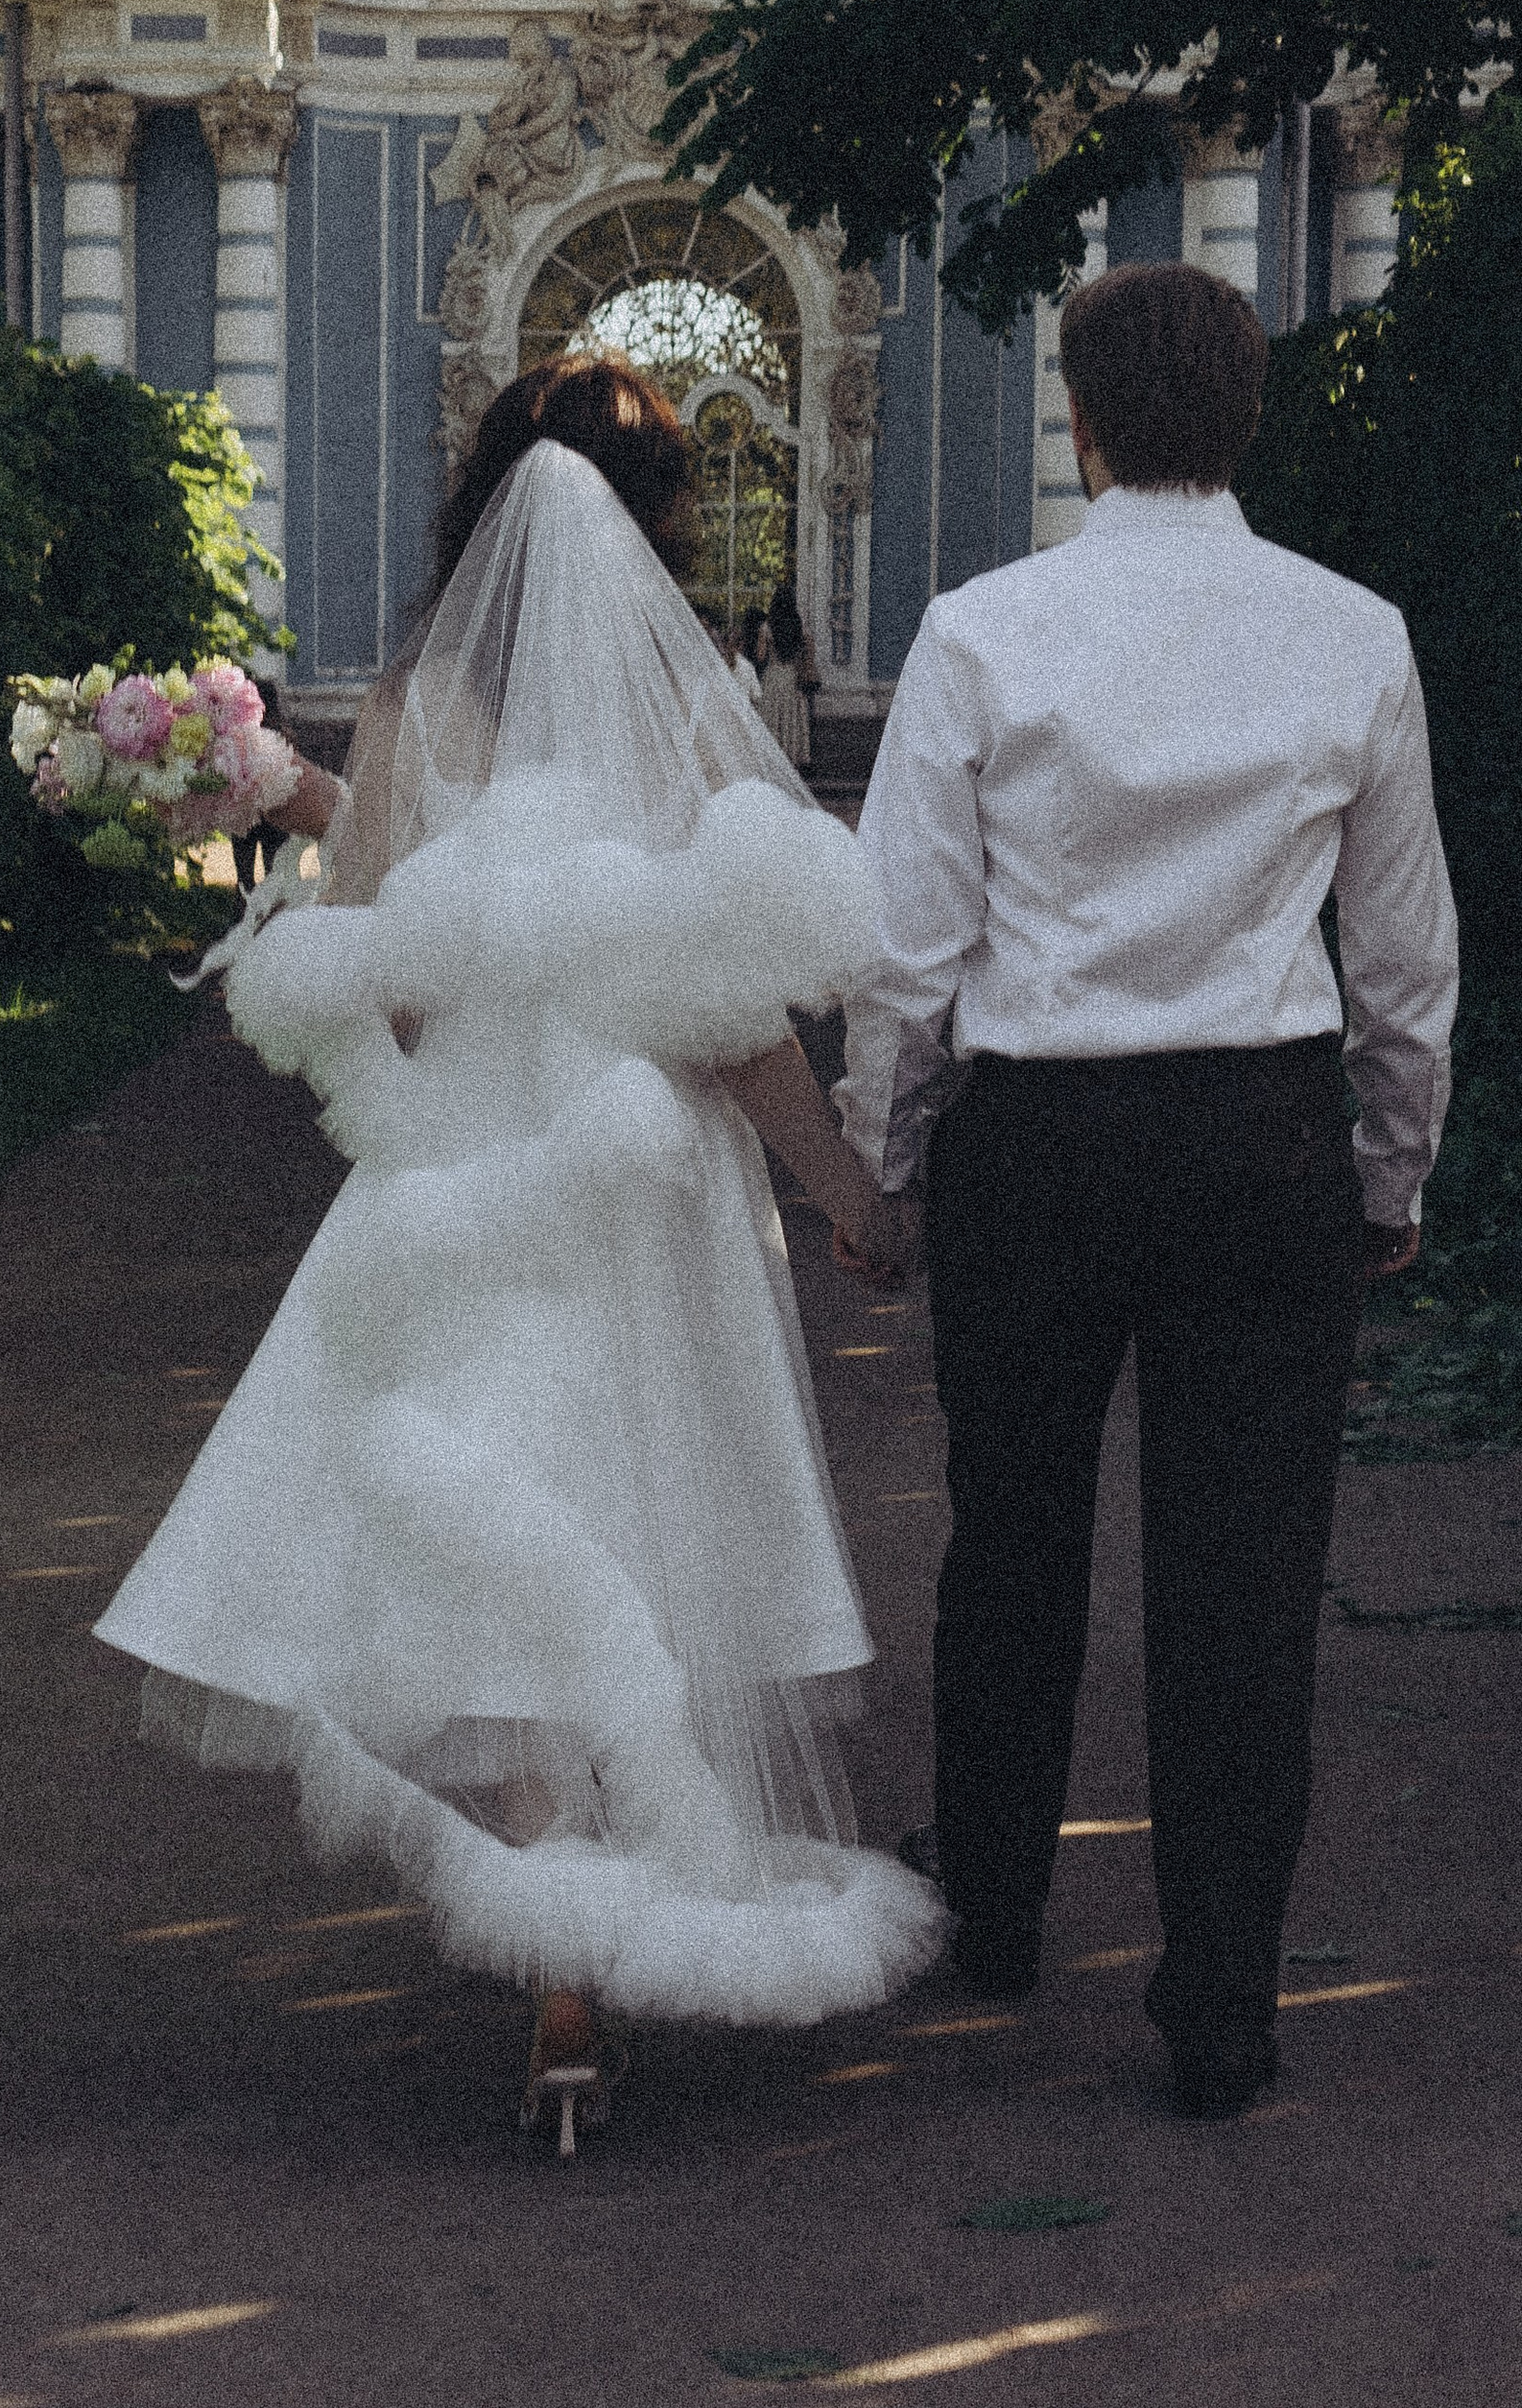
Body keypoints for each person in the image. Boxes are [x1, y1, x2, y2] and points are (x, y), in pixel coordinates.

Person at [97, 358, 946, 2148]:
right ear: (654, 528)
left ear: (479, 507)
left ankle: (562, 1973)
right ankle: (602, 1933)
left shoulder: (413, 704)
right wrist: (845, 1193)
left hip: (481, 1163)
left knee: (509, 1508)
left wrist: (299, 819)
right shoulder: (693, 700)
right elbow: (733, 1018)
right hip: (651, 1184)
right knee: (637, 1512)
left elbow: (381, 955)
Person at [838, 259, 1458, 2121]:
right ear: (1243, 417)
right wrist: (1386, 1160)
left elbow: (899, 951)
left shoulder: (975, 632)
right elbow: (1403, 950)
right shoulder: (1347, 631)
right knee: (1243, 1584)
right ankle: (1217, 2007)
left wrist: (882, 1163)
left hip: (1032, 1142)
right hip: (1257, 1134)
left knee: (1007, 1539)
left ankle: (1002, 1911)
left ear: (1077, 418)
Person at [759, 584, 815, 773]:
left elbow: (760, 656)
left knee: (774, 717)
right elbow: (808, 654)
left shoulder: (767, 628)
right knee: (792, 720)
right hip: (792, 678)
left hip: (774, 676)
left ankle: (773, 763)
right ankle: (793, 761)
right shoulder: (800, 628)